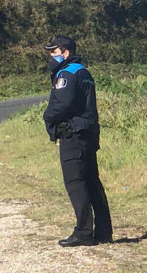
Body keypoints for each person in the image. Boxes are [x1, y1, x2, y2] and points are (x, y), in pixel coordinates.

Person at [43, 35, 112, 247]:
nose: (51, 56)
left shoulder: (67, 74)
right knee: (91, 182)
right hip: (88, 133)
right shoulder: (84, 71)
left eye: (54, 52)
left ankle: (83, 232)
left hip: (73, 134)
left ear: (65, 53)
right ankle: (102, 231)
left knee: (76, 183)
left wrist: (47, 117)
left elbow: (61, 105)